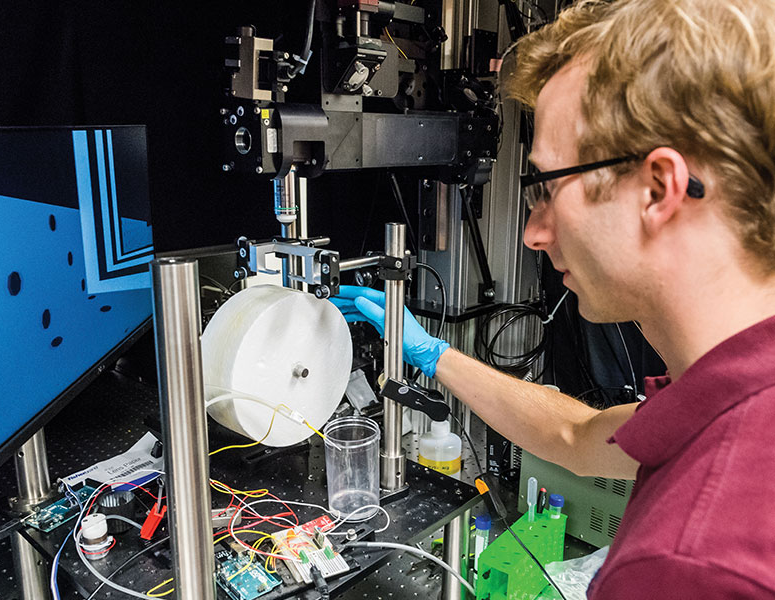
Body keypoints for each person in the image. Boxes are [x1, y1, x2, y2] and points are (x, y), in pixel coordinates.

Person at [331, 0, 775, 597]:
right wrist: (432, 353)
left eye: (547, 188)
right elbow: (580, 436)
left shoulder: (688, 563)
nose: (534, 232)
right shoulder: (740, 389)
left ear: (658, 188)